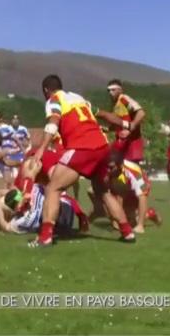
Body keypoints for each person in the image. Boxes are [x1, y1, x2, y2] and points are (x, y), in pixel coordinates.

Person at [30, 74, 135, 247]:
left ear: (46, 90)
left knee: (53, 188)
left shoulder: (54, 100)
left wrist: (41, 149)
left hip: (82, 148)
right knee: (103, 191)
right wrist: (127, 125)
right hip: (102, 148)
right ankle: (127, 231)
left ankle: (46, 236)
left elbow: (53, 122)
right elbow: (105, 115)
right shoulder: (79, 99)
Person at [103, 151, 161, 234]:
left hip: (135, 189)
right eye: (107, 167)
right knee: (123, 215)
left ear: (120, 165)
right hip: (122, 185)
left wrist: (140, 225)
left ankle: (149, 214)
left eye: (111, 167)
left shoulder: (134, 171)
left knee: (133, 221)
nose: (108, 170)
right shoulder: (108, 169)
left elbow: (142, 195)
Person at [96, 79, 146, 163]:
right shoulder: (115, 105)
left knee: (131, 169)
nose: (110, 93)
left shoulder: (124, 99)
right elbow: (119, 124)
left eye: (113, 90)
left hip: (132, 141)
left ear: (120, 90)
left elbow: (141, 113)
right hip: (121, 142)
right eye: (108, 90)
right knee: (112, 165)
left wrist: (131, 127)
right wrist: (106, 129)